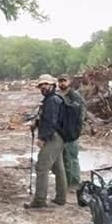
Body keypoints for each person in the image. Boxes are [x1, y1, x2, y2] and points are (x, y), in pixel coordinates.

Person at [28, 74, 67, 208]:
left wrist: (42, 138)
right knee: (58, 168)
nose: (43, 87)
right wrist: (37, 123)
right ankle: (61, 198)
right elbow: (48, 119)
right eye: (41, 85)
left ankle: (39, 200)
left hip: (52, 137)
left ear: (52, 85)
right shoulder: (54, 99)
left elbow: (50, 121)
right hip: (59, 137)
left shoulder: (51, 100)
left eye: (46, 84)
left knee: (42, 167)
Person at [56, 74, 86, 189]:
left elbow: (82, 111)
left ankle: (74, 182)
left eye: (64, 81)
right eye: (60, 81)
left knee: (72, 157)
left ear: (69, 82)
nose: (62, 83)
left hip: (72, 131)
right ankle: (66, 182)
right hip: (60, 131)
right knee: (63, 158)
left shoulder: (75, 95)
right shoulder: (57, 95)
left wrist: (77, 126)